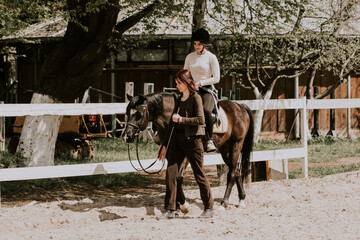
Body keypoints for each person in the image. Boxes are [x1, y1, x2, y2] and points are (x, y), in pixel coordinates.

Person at [157, 69, 214, 219]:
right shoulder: (178, 99)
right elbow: (171, 124)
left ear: (187, 82)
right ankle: (170, 209)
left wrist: (182, 119)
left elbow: (201, 120)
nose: (177, 86)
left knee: (199, 174)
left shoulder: (196, 98)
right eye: (176, 83)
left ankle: (209, 207)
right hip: (176, 140)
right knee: (171, 173)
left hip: (193, 140)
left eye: (179, 83)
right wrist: (164, 145)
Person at [184, 28, 220, 152]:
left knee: (205, 110)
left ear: (205, 44)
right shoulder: (189, 57)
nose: (196, 46)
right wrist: (188, 83)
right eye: (195, 43)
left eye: (199, 44)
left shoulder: (211, 58)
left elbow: (216, 78)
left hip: (206, 90)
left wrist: (201, 82)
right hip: (191, 89)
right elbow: (185, 73)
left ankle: (209, 139)